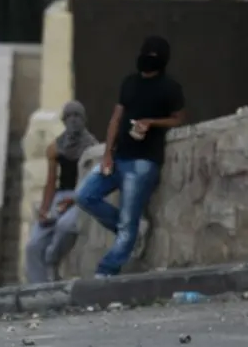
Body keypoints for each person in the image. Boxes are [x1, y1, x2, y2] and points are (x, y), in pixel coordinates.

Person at [75, 35, 185, 278]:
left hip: (144, 162)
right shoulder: (129, 83)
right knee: (84, 196)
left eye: (153, 56)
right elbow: (116, 118)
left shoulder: (170, 88)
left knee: (128, 223)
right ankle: (133, 231)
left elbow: (178, 118)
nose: (148, 60)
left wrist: (151, 123)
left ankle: (106, 270)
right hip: (119, 157)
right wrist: (107, 155)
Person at [25, 101, 97, 283]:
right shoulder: (56, 147)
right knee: (33, 245)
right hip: (60, 196)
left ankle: (52, 258)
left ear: (84, 119)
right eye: (69, 116)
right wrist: (44, 209)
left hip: (81, 197)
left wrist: (73, 201)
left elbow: (91, 183)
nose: (73, 120)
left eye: (77, 116)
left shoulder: (92, 147)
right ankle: (38, 289)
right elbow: (51, 182)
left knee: (66, 226)